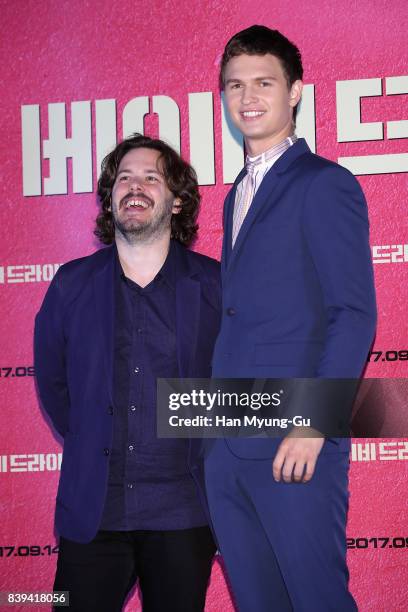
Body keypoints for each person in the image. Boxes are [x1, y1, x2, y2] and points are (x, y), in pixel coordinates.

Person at [204, 25, 377, 611]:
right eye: (234, 85)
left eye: (263, 83)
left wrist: (310, 424)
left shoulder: (325, 184)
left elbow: (353, 314)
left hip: (291, 438)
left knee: (317, 600)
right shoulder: (235, 195)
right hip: (227, 442)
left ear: (296, 91)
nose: (247, 97)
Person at [34, 134, 220, 612]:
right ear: (109, 196)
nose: (134, 187)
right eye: (124, 178)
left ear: (177, 201)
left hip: (184, 515)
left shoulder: (215, 284)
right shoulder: (72, 284)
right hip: (93, 515)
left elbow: (233, 385)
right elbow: (55, 386)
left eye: (151, 178)